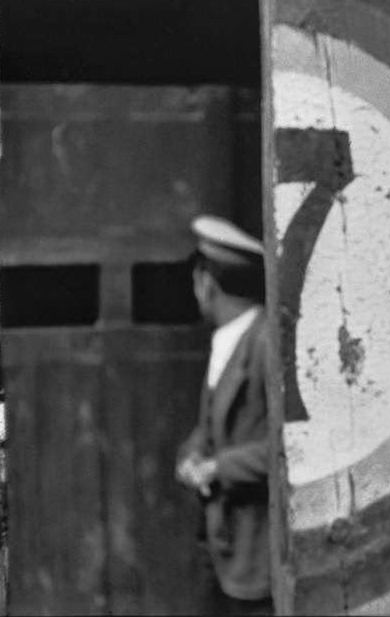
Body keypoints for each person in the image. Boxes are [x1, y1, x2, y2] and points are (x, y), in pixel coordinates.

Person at [175, 215, 272, 615]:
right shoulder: (229, 339)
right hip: (225, 544)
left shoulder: (265, 341)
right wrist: (191, 456)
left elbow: (289, 448)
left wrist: (218, 468)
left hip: (258, 550)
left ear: (206, 281)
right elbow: (211, 426)